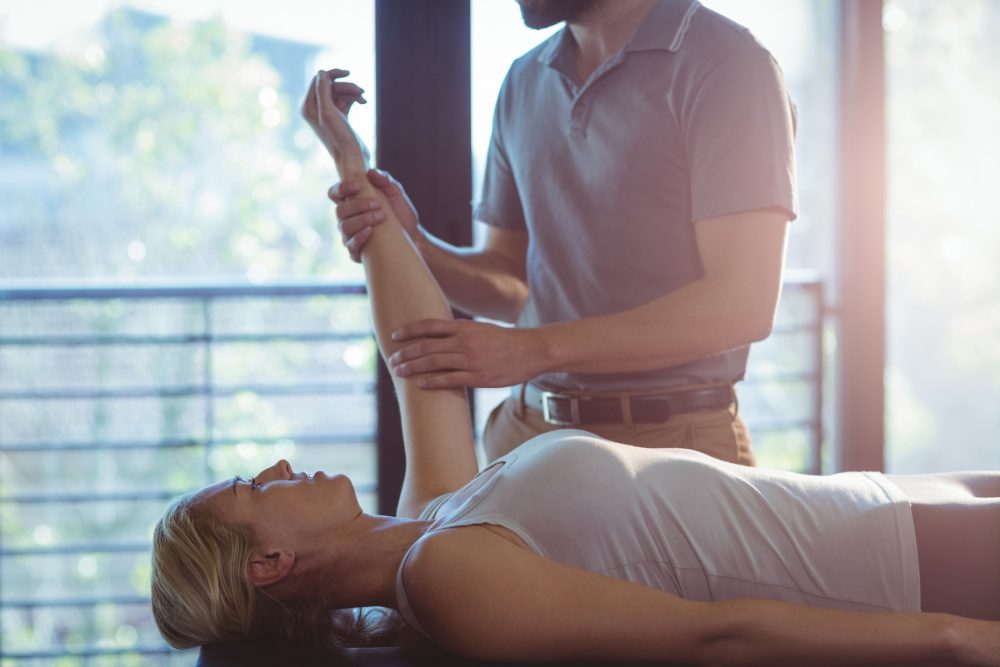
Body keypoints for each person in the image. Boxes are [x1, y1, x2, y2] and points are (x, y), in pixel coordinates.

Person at [149, 70, 1000, 666]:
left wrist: (345, 162)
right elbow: (717, 637)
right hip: (897, 571)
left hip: (885, 502)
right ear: (269, 565)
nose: (277, 468)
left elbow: (421, 361)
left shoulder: (436, 518)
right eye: (253, 489)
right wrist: (958, 640)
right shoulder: (443, 577)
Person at [330, 0, 797, 464]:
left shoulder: (731, 65)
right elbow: (513, 284)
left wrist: (534, 350)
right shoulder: (523, 79)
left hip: (673, 445)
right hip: (526, 434)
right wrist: (415, 245)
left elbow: (743, 305)